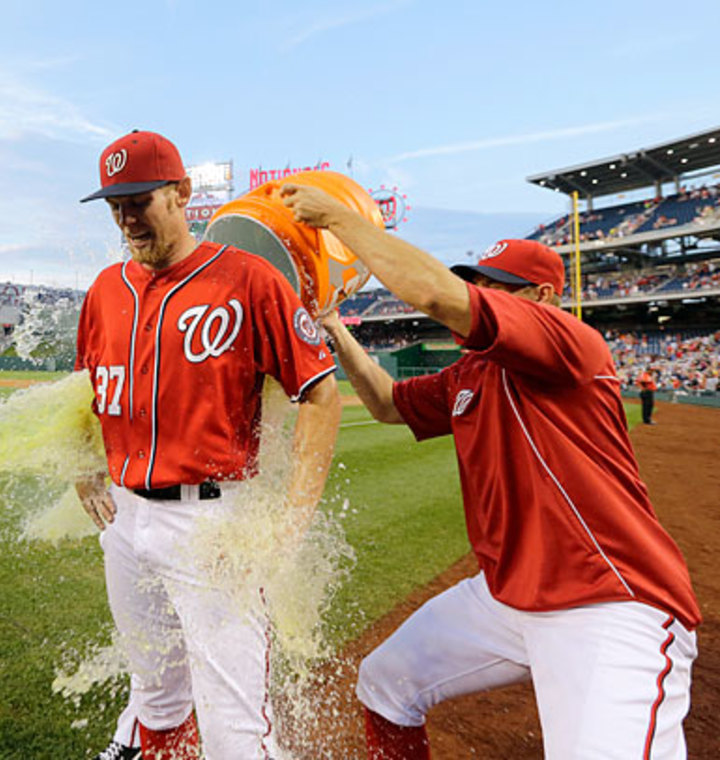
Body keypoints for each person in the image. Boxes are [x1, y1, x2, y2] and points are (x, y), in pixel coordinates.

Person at [280, 185, 701, 760]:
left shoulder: (570, 340)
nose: (481, 293)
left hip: (608, 600)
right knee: (385, 683)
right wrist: (332, 322)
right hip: (506, 597)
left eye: (497, 286)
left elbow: (433, 293)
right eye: (478, 282)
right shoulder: (471, 374)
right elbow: (385, 403)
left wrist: (336, 219)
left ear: (545, 297)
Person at [75, 131, 342, 760]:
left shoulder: (247, 279)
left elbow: (321, 397)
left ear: (183, 193)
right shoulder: (103, 291)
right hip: (124, 519)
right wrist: (83, 465)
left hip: (211, 520)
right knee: (156, 703)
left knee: (233, 731)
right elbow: (84, 392)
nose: (126, 217)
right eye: (115, 204)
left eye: (139, 200)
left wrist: (290, 525)